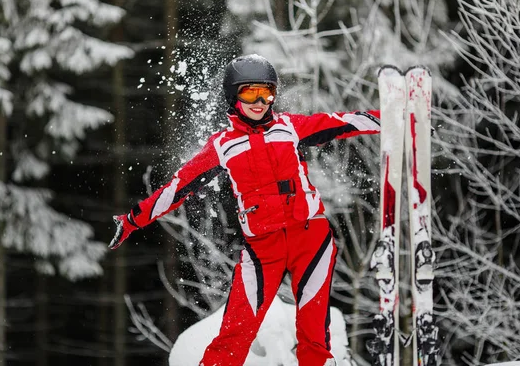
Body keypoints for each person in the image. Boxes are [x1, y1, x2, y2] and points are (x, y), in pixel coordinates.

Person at [109, 54, 381, 366]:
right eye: (250, 92)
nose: (260, 100)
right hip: (263, 248)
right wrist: (132, 220)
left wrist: (389, 115)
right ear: (233, 96)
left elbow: (342, 122)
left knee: (314, 335)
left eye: (267, 92)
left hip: (311, 239)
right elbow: (176, 188)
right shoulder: (223, 146)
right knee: (235, 331)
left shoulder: (290, 128)